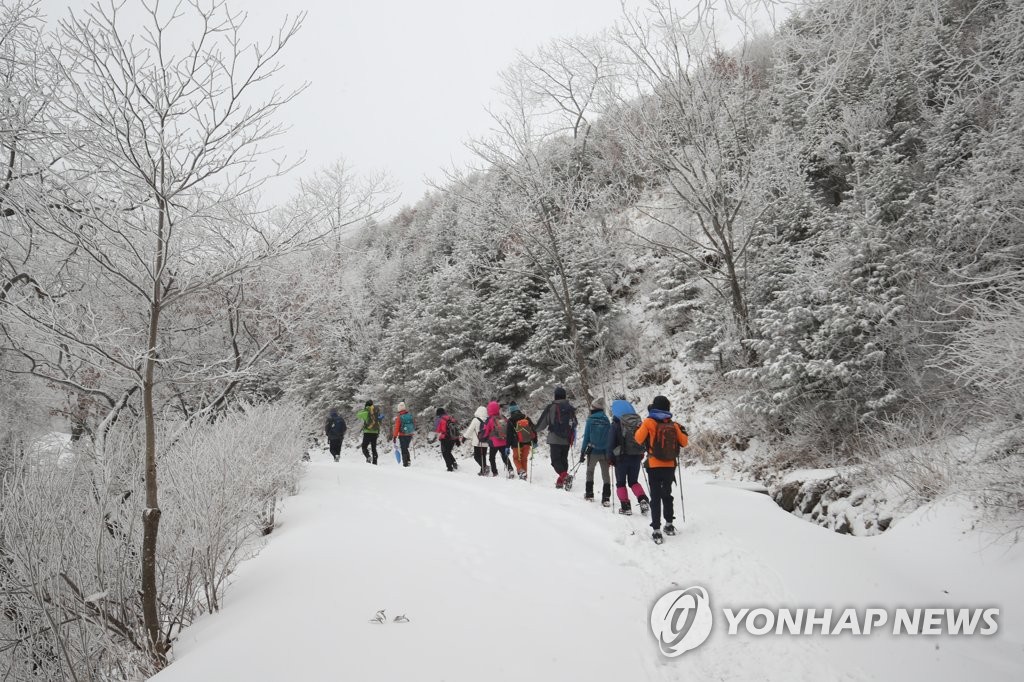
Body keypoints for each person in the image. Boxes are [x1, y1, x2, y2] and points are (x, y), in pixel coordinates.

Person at [634, 395, 688, 544]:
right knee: (667, 494)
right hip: (669, 466)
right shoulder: (673, 424)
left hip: (654, 465)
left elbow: (638, 439)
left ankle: (656, 530)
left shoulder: (649, 422)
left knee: (656, 497)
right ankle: (669, 525)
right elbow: (684, 442)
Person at [607, 397, 650, 516]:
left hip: (621, 458)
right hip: (636, 456)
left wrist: (610, 458)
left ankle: (626, 507)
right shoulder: (637, 422)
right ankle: (643, 500)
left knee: (621, 483)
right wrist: (641, 453)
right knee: (633, 481)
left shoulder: (615, 424)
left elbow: (610, 443)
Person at [534, 386, 578, 489]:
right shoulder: (570, 408)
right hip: (566, 439)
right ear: (564, 396)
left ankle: (565, 477)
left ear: (555, 396)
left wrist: (534, 430)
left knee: (555, 461)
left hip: (554, 438)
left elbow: (542, 423)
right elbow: (575, 423)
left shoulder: (551, 407)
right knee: (563, 460)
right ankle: (561, 481)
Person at [579, 397, 612, 505]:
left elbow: (586, 438)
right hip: (605, 452)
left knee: (590, 471)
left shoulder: (590, 420)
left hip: (592, 451)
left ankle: (589, 494)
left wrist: (582, 452)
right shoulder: (607, 420)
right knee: (605, 474)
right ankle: (606, 498)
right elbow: (610, 437)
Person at [506, 402, 537, 481]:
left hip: (516, 444)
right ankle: (524, 475)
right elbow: (533, 429)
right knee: (524, 459)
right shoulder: (526, 417)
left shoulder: (510, 420)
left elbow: (509, 434)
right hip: (527, 442)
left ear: (511, 411)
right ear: (518, 409)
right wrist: (535, 441)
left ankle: (521, 471)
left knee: (516, 459)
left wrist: (507, 446)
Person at [481, 400, 512, 478]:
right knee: (505, 457)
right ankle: (510, 470)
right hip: (504, 441)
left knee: (492, 458)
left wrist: (483, 438)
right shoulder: (503, 417)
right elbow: (508, 428)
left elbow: (486, 431)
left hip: (494, 443)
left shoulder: (489, 419)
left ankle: (495, 473)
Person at [463, 405, 489, 476]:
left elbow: (470, 430)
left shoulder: (476, 420)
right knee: (483, 456)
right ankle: (483, 471)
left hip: (478, 442)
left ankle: (485, 467)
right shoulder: (488, 420)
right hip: (486, 441)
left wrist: (464, 437)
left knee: (476, 457)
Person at [433, 407, 461, 472]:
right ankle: (454, 463)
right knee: (448, 452)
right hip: (453, 438)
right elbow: (456, 429)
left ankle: (449, 468)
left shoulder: (439, 419)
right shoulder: (451, 418)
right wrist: (457, 440)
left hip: (445, 438)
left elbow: (437, 430)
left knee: (445, 453)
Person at [356, 400, 383, 464]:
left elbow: (358, 415)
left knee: (364, 447)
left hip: (367, 432)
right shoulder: (376, 412)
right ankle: (375, 462)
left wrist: (364, 409)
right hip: (375, 432)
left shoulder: (365, 412)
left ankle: (368, 456)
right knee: (374, 448)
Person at [392, 401, 415, 467]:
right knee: (406, 448)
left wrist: (394, 436)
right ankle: (408, 461)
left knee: (403, 449)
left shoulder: (399, 417)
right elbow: (413, 424)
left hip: (403, 435)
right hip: (410, 434)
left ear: (399, 409)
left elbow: (396, 428)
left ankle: (405, 463)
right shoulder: (409, 416)